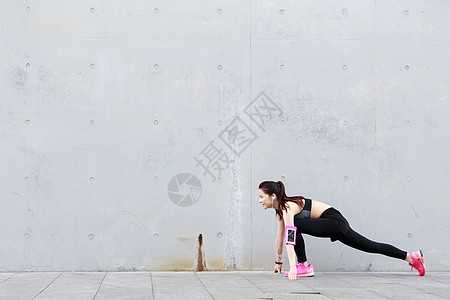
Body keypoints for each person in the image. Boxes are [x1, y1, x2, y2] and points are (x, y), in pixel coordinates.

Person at [258, 181, 426, 280]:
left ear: (273, 196)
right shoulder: (281, 212)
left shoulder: (288, 207)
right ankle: (410, 257)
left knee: (294, 228)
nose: (260, 201)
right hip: (335, 225)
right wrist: (278, 262)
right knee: (371, 246)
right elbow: (280, 239)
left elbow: (290, 236)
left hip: (333, 221)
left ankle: (304, 266)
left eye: (261, 197)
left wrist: (293, 267)